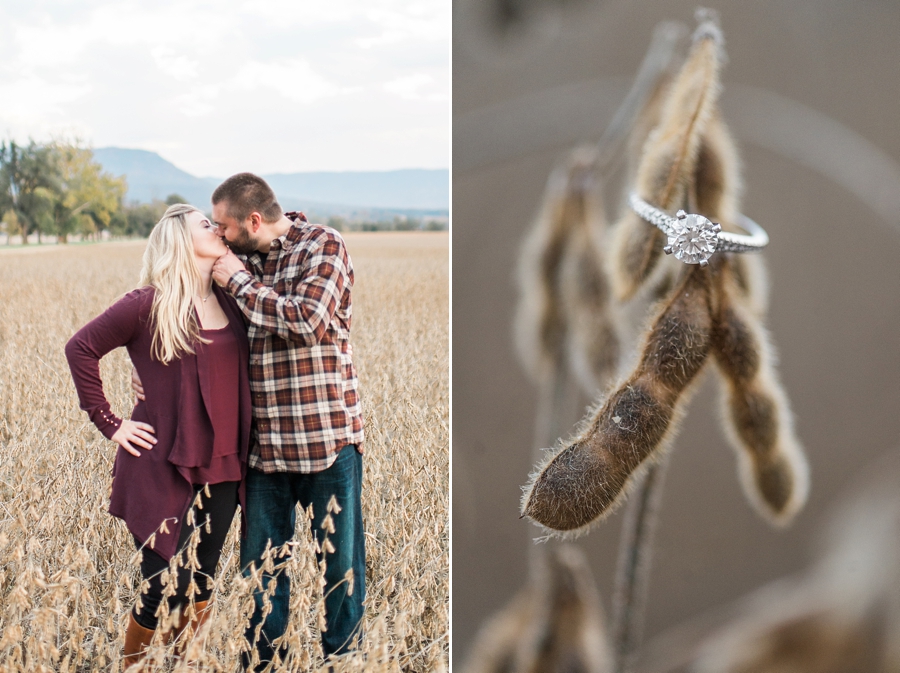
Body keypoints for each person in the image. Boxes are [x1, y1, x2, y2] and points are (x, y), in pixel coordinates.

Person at [132, 174, 366, 669]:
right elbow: (185, 322)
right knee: (262, 581)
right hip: (262, 455)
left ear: (253, 221)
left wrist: (237, 278)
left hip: (327, 444)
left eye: (223, 226)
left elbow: (306, 322)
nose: (218, 236)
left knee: (340, 577)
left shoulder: (323, 245)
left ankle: (345, 663)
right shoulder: (235, 263)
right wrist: (151, 378)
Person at [65, 204, 252, 667]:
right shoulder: (147, 303)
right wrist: (110, 422)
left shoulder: (233, 299)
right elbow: (81, 348)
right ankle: (136, 665)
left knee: (201, 583)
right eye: (205, 225)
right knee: (158, 586)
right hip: (159, 465)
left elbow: (266, 227)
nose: (216, 228)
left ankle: (188, 664)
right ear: (181, 242)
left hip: (224, 465)